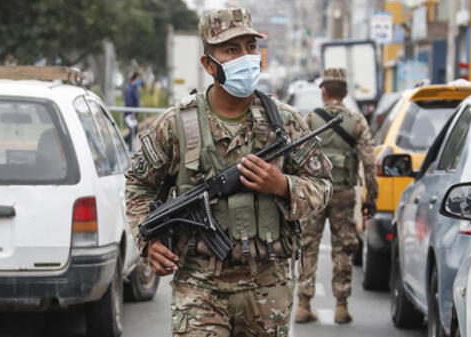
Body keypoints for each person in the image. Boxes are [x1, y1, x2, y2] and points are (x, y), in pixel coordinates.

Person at [125, 8, 333, 337]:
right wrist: (148, 241)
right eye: (231, 50)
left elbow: (322, 185)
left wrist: (283, 186)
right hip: (199, 284)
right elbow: (139, 187)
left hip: (269, 283)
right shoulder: (177, 124)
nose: (245, 57)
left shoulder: (286, 122)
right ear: (209, 64)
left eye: (250, 47)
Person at [296, 68, 378, 324]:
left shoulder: (310, 119)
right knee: (342, 247)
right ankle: (341, 306)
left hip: (313, 193)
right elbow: (368, 160)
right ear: (345, 92)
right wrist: (371, 196)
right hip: (343, 192)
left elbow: (296, 156)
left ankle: (303, 304)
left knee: (308, 244)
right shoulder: (356, 121)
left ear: (324, 91)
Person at [124, 72, 141, 150]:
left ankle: (128, 146)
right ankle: (124, 141)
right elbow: (129, 101)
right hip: (130, 114)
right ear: (135, 78)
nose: (139, 80)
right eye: (138, 79)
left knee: (134, 130)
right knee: (134, 130)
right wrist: (131, 113)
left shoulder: (134, 88)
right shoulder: (130, 88)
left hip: (133, 113)